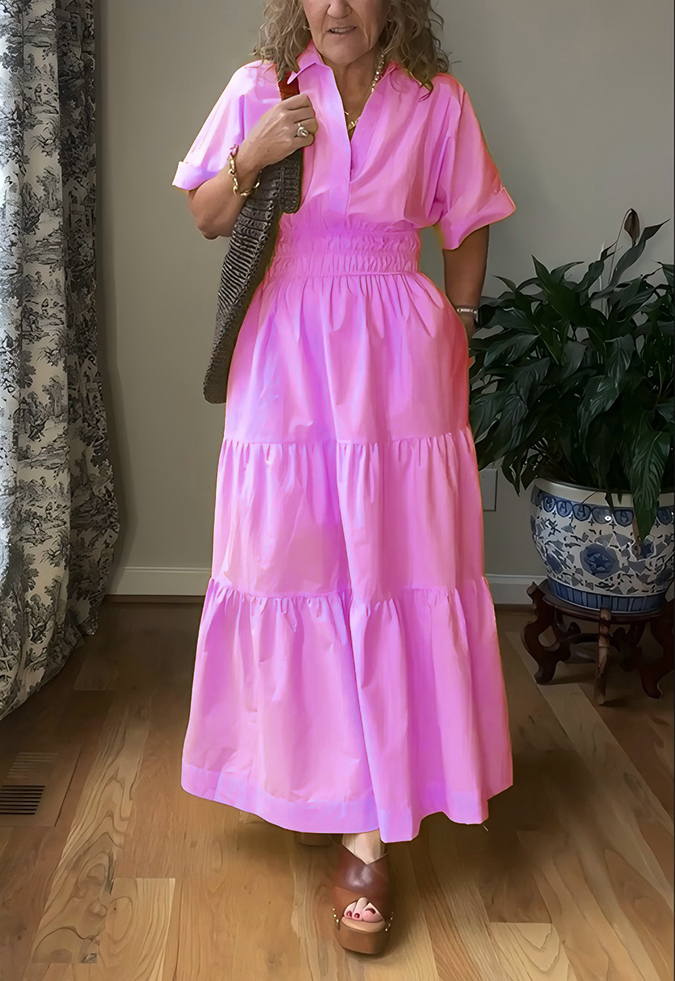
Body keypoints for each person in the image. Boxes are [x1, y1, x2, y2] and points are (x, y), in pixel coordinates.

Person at [172, 0, 516, 956]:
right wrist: (254, 154)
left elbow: (468, 220)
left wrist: (459, 325)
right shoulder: (260, 88)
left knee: (395, 573)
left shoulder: (437, 101)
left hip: (400, 356)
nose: (335, 8)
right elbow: (205, 215)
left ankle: (367, 832)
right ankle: (309, 775)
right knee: (293, 570)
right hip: (284, 348)